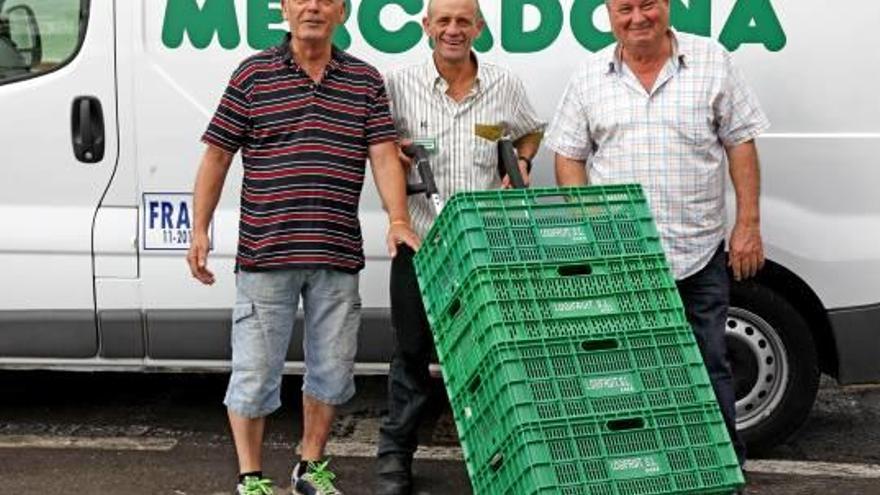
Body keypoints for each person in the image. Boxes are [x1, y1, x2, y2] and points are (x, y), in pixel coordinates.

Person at [186, 0, 418, 493]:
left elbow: (382, 154)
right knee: (254, 373)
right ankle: (251, 478)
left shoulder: (364, 80)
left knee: (331, 372)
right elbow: (218, 155)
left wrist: (398, 218)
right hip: (266, 255)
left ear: (343, 12)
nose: (313, 6)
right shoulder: (252, 75)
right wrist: (200, 227)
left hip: (335, 254)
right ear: (286, 10)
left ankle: (309, 468)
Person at [545, 0, 769, 481]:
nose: (638, 17)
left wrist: (747, 223)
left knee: (708, 368)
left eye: (648, 4)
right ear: (608, 15)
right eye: (624, 8)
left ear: (666, 6)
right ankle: (641, 475)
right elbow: (568, 156)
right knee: (625, 377)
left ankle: (721, 472)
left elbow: (741, 142)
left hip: (698, 253)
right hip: (621, 259)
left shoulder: (712, 60)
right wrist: (591, 222)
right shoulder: (589, 76)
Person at [374, 0, 545, 493]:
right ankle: (394, 460)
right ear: (426, 26)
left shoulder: (505, 86)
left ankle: (499, 463)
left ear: (480, 28)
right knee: (410, 355)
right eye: (443, 21)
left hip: (485, 249)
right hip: (421, 242)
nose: (453, 30)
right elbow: (378, 148)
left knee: (490, 358)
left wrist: (523, 161)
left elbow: (531, 130)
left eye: (463, 21)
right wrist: (397, 161)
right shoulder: (395, 86)